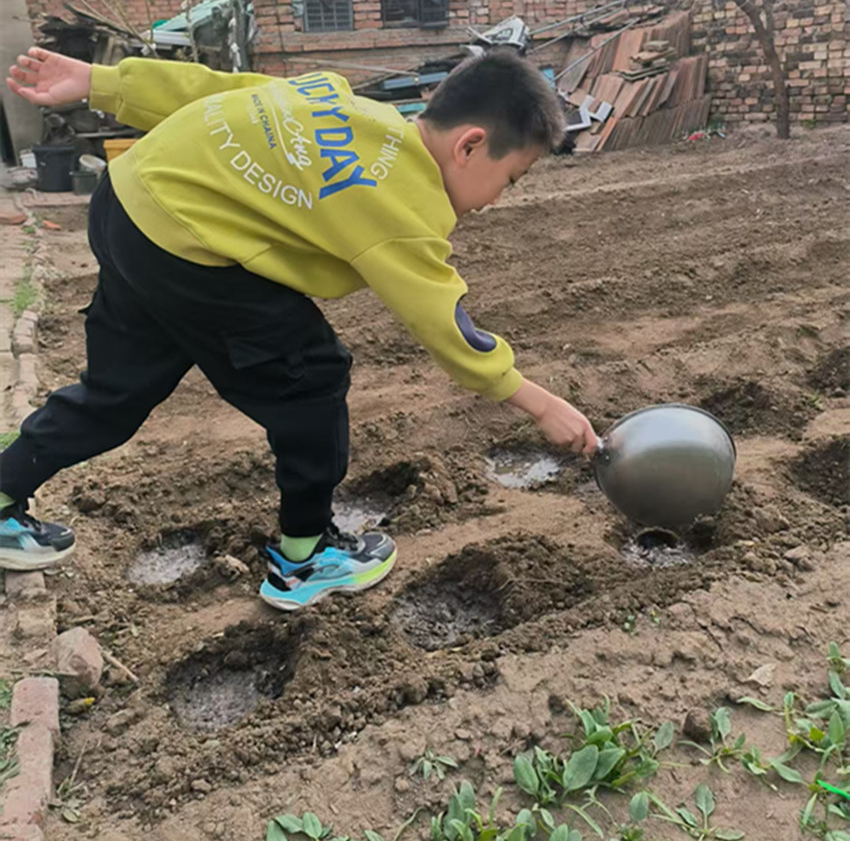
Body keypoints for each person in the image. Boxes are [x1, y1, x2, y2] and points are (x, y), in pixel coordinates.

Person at [1, 46, 598, 609]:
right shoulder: (400, 204)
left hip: (129, 201)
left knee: (117, 390)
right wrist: (540, 404)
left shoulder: (344, 104)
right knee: (311, 378)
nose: (498, 199)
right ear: (470, 145)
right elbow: (445, 323)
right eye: (511, 178)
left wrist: (103, 82)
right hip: (184, 244)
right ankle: (306, 559)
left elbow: (219, 92)